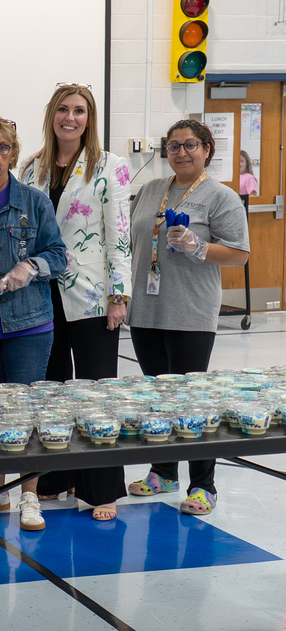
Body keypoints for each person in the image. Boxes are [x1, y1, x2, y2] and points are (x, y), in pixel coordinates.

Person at [20, 83, 132, 521]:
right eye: (63, 109)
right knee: (50, 391)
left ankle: (101, 488)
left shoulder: (111, 167)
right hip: (40, 295)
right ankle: (53, 476)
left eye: (80, 111)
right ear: (51, 115)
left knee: (96, 392)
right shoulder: (31, 167)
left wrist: (118, 296)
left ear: (90, 118)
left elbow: (119, 236)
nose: (71, 117)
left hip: (91, 296)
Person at [127, 120, 249, 516]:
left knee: (190, 401)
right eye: (173, 146)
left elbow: (239, 254)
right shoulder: (150, 190)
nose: (181, 152)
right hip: (146, 310)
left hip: (191, 312)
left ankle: (204, 485)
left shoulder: (221, 197)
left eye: (190, 145)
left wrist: (199, 246)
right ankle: (163, 472)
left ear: (207, 149)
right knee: (159, 400)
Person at [0, 117, 66, 531]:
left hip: (29, 324)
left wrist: (30, 265)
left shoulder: (35, 201)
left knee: (23, 411)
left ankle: (30, 495)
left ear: (14, 154)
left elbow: (58, 254)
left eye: (1, 148)